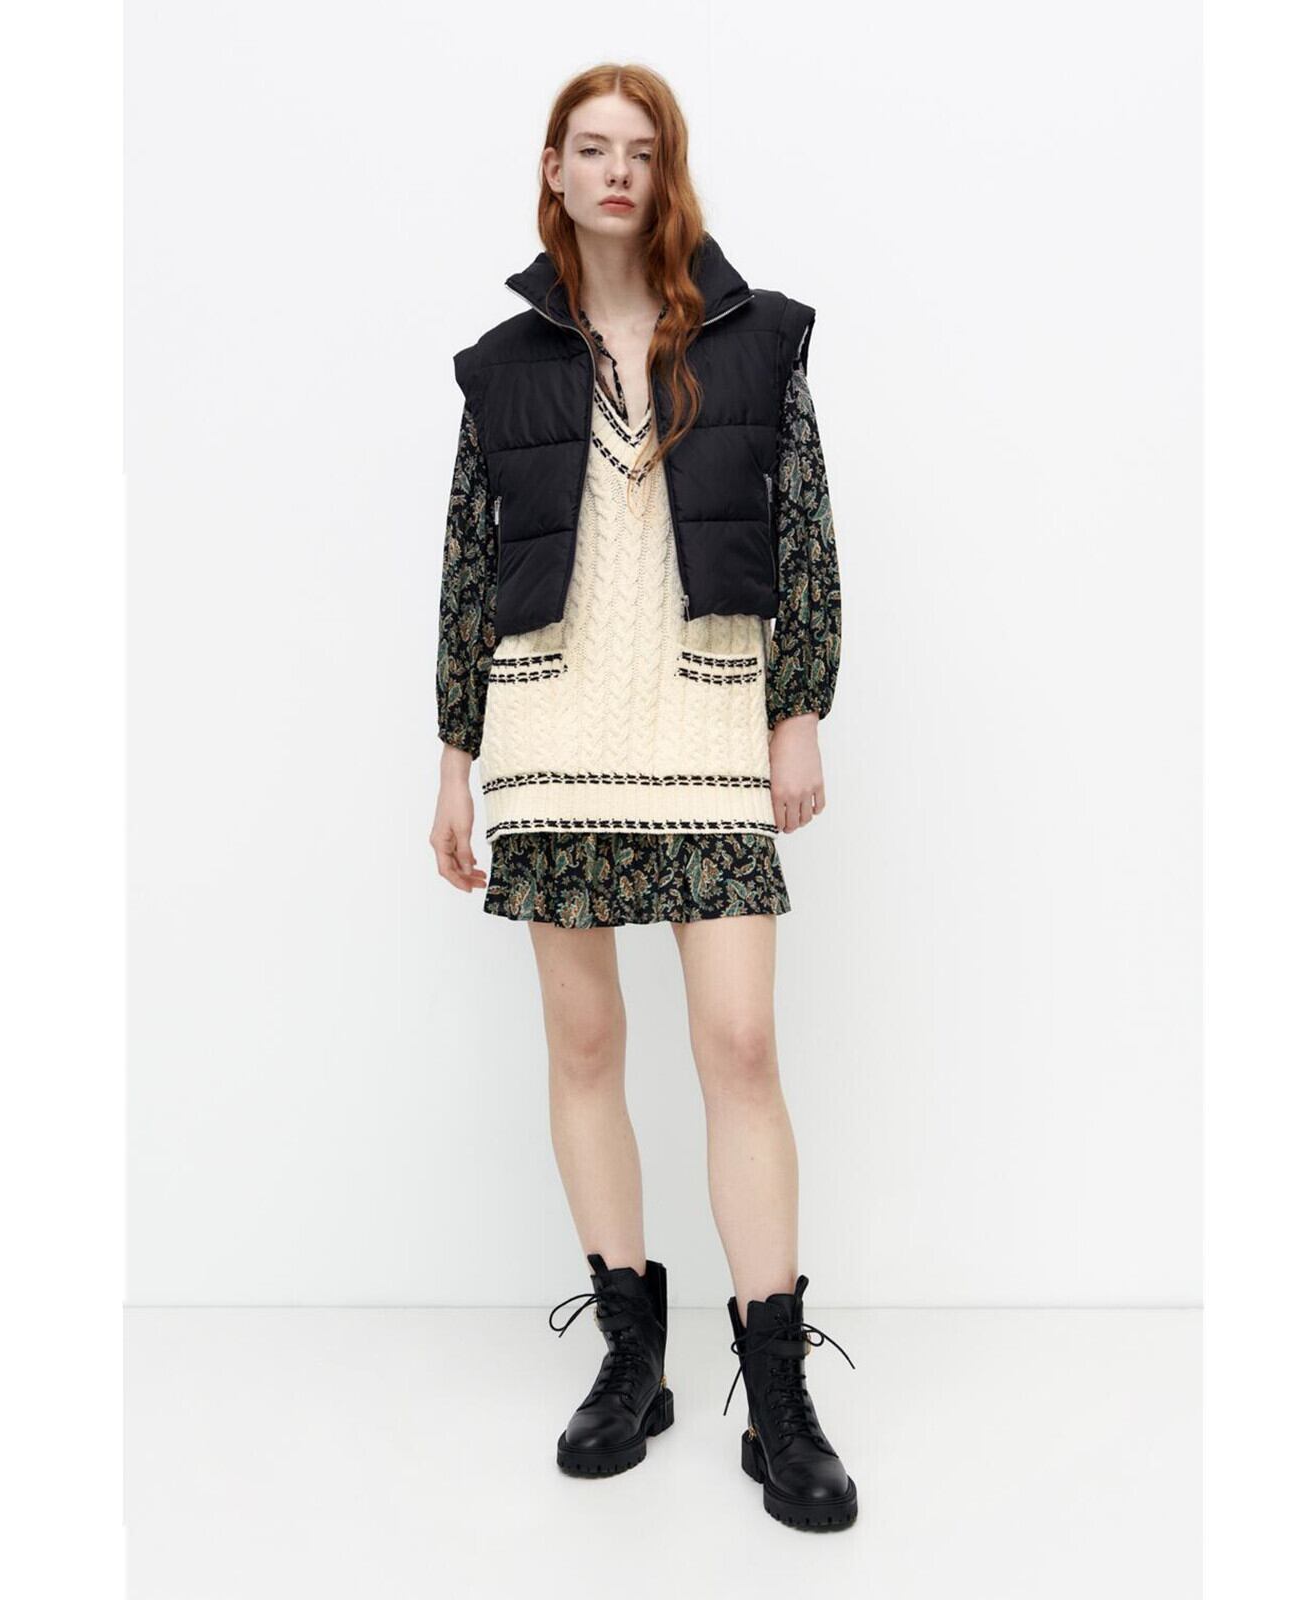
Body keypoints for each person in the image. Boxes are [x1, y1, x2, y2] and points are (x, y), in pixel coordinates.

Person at [430, 63, 854, 1530]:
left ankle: (778, 1394)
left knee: (740, 1043)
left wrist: (798, 713)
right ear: (553, 171)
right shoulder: (501, 366)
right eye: (590, 148)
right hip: (551, 735)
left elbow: (803, 536)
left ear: (668, 172)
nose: (616, 171)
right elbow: (468, 567)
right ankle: (632, 1358)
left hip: (711, 725)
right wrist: (454, 760)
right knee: (587, 1042)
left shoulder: (754, 338)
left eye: (641, 150)